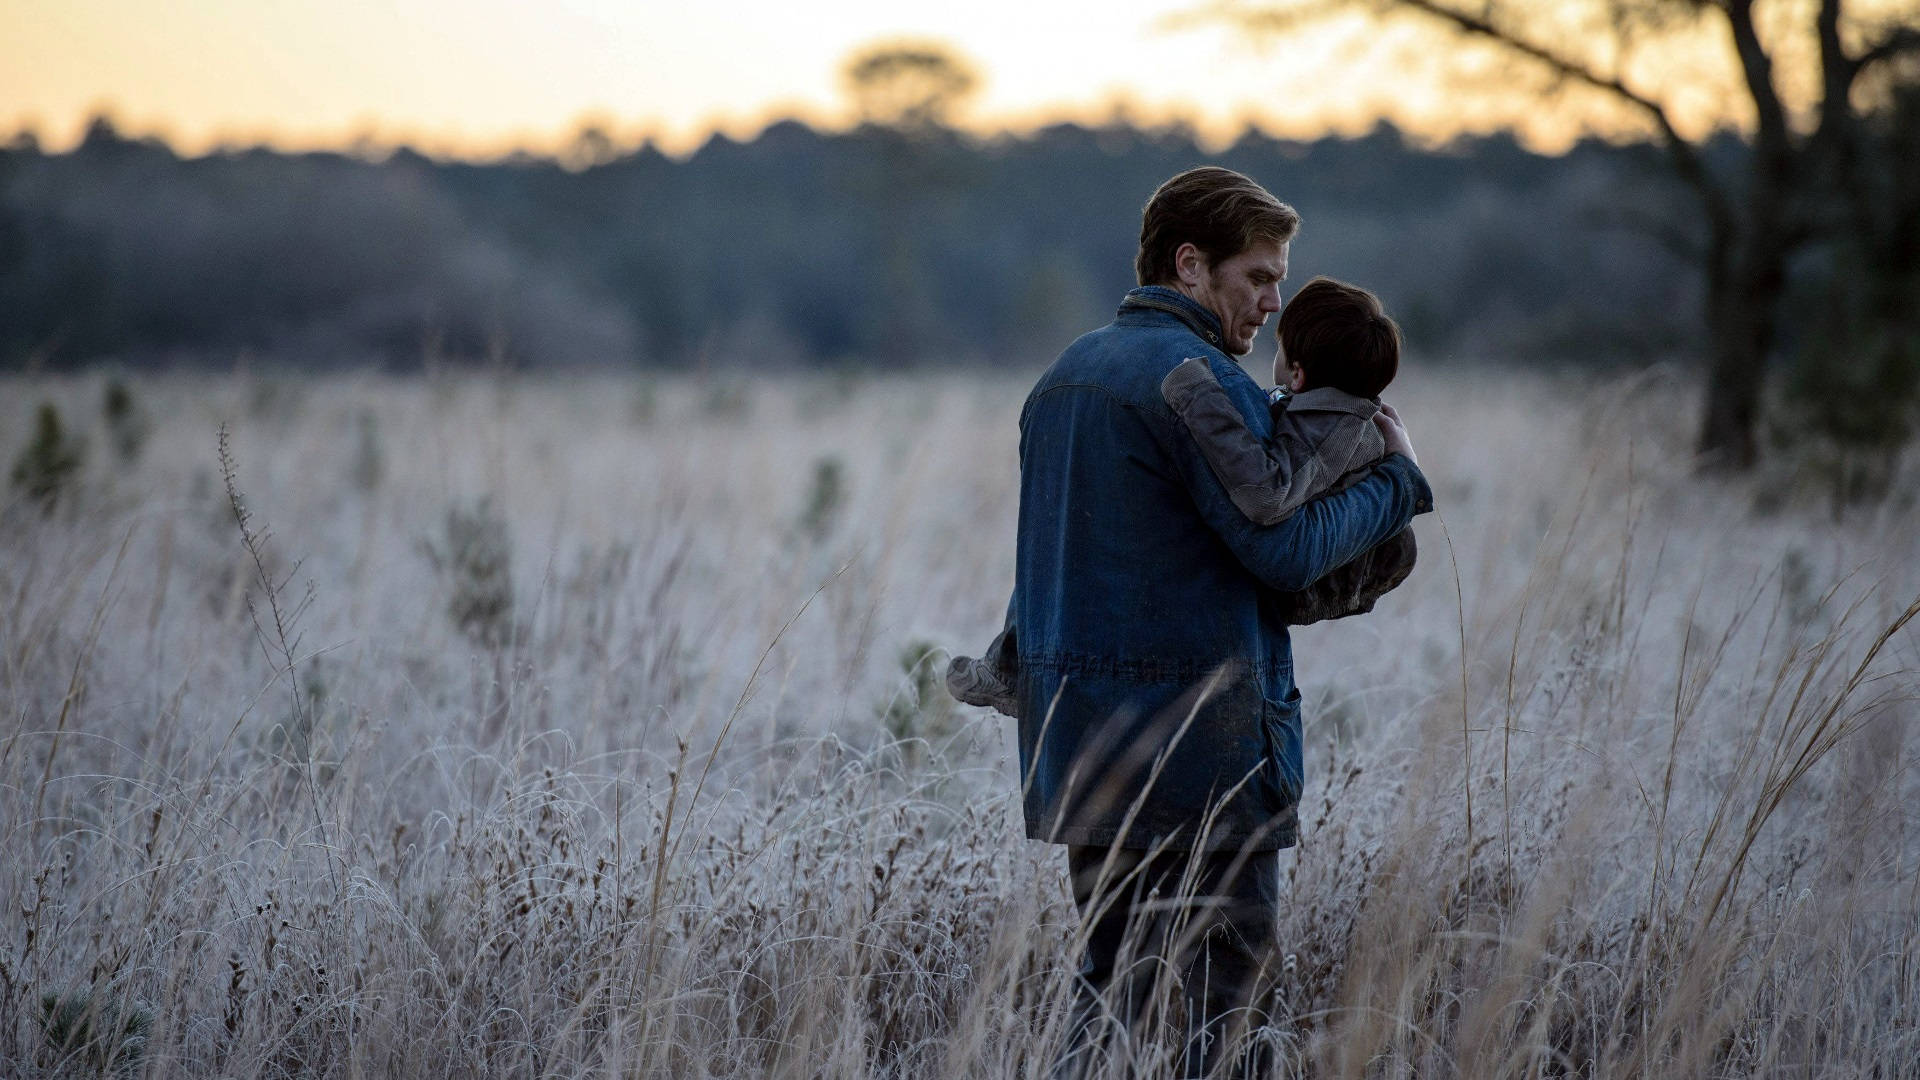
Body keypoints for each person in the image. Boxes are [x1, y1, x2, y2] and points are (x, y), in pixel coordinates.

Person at [968, 167, 1433, 1076]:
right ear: (1191, 265)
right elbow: (1286, 553)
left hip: (1084, 751)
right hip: (1204, 755)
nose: (1274, 299)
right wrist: (1396, 484)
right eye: (1258, 275)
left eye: (1279, 278)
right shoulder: (1200, 381)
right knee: (1233, 1015)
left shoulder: (1062, 377)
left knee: (1113, 994)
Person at [947, 275, 1420, 713]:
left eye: (1281, 346)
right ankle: (1010, 659)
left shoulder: (1332, 427)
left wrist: (1201, 396)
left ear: (1297, 373)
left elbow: (1271, 499)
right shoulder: (1314, 410)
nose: (1270, 302)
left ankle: (1011, 663)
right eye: (1259, 277)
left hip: (1309, 585)